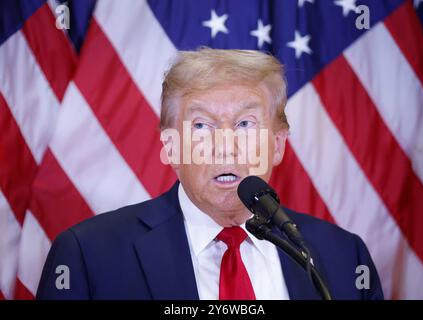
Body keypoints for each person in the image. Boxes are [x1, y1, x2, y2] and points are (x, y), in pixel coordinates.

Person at [36, 48, 383, 300]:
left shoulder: (343, 257)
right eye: (201, 125)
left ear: (277, 145)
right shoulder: (88, 257)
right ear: (170, 147)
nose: (225, 146)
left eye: (245, 124)